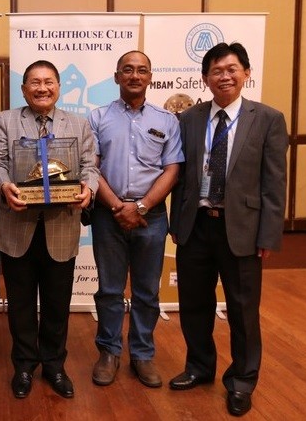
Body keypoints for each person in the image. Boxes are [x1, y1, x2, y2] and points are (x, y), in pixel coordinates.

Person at [168, 42, 288, 417]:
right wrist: (176, 224)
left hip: (243, 230)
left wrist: (268, 235)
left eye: (232, 69)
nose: (225, 76)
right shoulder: (189, 119)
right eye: (216, 71)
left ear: (246, 74)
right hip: (196, 226)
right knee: (194, 304)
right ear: (205, 78)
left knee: (242, 310)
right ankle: (199, 367)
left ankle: (242, 381)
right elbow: (180, 176)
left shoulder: (268, 119)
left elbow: (274, 183)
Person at [0, 60, 99, 399]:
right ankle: (24, 365)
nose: (42, 88)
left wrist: (89, 188)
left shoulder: (78, 123)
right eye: (34, 82)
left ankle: (54, 365)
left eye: (48, 82)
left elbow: (90, 166)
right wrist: (4, 186)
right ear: (24, 90)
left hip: (61, 227)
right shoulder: (6, 120)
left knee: (57, 303)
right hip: (16, 225)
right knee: (20, 304)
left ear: (58, 87)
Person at [88, 51, 183, 388]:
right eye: (127, 70)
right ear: (117, 76)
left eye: (142, 70)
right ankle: (109, 352)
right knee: (109, 289)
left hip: (151, 217)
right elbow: (91, 167)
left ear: (150, 77)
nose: (134, 75)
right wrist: (118, 207)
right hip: (108, 214)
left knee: (146, 291)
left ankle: (142, 354)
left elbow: (172, 169)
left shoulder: (167, 120)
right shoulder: (97, 117)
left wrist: (140, 207)